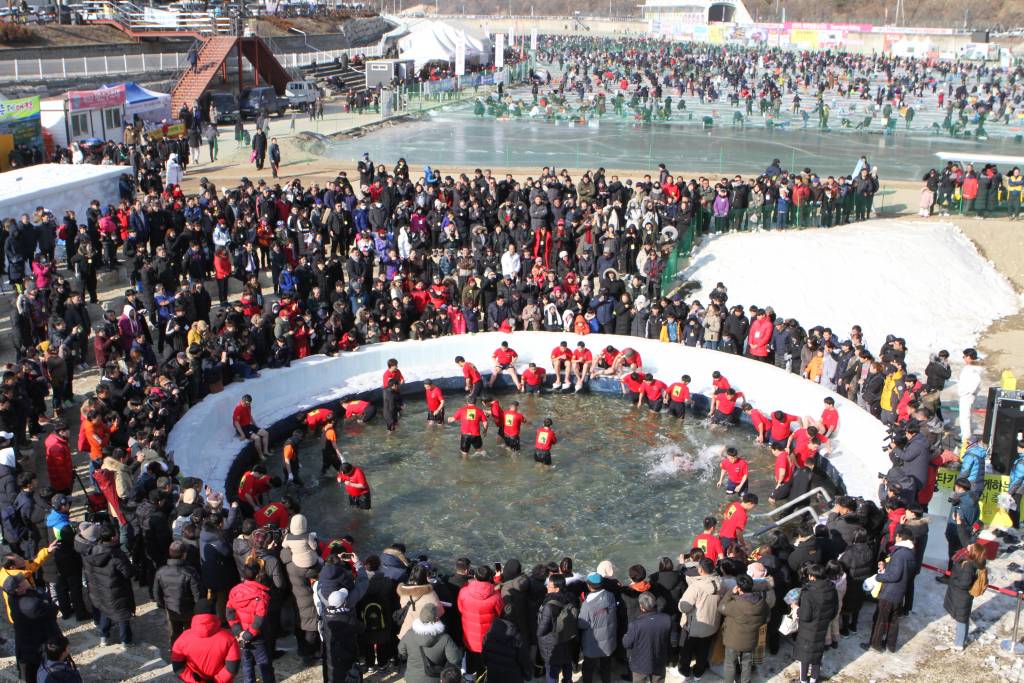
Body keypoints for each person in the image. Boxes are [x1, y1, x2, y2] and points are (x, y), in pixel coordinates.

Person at [864, 526, 916, 653]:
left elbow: (894, 575)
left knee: (880, 619)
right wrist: (887, 566)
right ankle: (891, 645)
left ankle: (875, 645)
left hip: (889, 593)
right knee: (893, 620)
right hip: (899, 593)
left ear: (900, 537)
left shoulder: (899, 554)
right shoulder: (910, 553)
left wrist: (879, 577)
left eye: (896, 536)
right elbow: (902, 571)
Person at [5, 572, 62, 682]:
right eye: (23, 580)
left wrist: (43, 600)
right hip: (35, 649)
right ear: (18, 589)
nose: (26, 580)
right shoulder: (30, 605)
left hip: (27, 646)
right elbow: (53, 609)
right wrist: (44, 601)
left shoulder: (13, 598)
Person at [85, 525, 135, 647]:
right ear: (113, 537)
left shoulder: (93, 551)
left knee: (105, 611)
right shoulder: (117, 555)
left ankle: (104, 637)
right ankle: (126, 641)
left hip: (99, 590)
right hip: (116, 591)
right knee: (122, 616)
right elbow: (128, 573)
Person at [170, 598, 241, 683]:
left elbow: (178, 667)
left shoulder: (183, 638)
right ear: (215, 613)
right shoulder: (229, 638)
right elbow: (232, 669)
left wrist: (194, 681)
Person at [227, 562, 276, 683]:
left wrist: (239, 632)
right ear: (258, 575)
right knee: (265, 666)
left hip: (241, 636)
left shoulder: (234, 590)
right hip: (257, 636)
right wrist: (249, 634)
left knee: (247, 665)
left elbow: (229, 612)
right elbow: (260, 619)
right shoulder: (261, 595)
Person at [719, 573, 769, 683]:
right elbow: (766, 617)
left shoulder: (736, 605)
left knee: (730, 664)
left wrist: (730, 593)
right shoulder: (762, 603)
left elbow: (721, 607)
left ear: (739, 588)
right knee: (747, 663)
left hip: (733, 640)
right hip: (751, 640)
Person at [677, 558, 722, 680]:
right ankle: (698, 673)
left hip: (694, 627)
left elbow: (684, 607)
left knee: (686, 651)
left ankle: (684, 671)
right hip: (712, 625)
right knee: (703, 650)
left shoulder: (696, 586)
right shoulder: (719, 581)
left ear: (700, 570)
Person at [154, 540, 204, 647]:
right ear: (184, 555)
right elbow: (198, 594)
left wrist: (164, 604)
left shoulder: (161, 572)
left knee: (174, 633)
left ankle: (176, 654)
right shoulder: (190, 572)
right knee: (190, 633)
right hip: (189, 609)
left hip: (171, 608)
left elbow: (157, 594)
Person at [794, 564, 838, 683]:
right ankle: (814, 679)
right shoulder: (831, 588)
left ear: (812, 576)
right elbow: (835, 610)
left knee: (805, 656)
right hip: (822, 627)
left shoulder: (808, 592)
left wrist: (796, 608)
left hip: (808, 629)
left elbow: (805, 616)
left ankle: (803, 680)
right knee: (817, 654)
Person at [397, 601, 461, 683]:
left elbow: (401, 651)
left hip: (412, 678)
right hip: (435, 678)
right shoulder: (445, 638)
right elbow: (455, 659)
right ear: (437, 619)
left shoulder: (409, 634)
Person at [457, 564, 503, 678]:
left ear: (475, 577)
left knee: (470, 659)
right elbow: (499, 613)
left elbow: (460, 609)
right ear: (489, 578)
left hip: (469, 636)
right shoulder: (496, 596)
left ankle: (469, 676)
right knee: (484, 663)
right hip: (487, 637)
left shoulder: (463, 591)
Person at [944, 542, 987, 650]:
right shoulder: (976, 562)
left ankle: (959, 644)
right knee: (963, 617)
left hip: (961, 596)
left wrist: (953, 580)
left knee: (961, 620)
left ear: (973, 552)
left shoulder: (968, 565)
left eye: (970, 547)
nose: (968, 547)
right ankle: (961, 639)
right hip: (963, 596)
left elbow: (965, 583)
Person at [623, 591, 671, 683]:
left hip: (640, 664)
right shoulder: (666, 619)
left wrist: (625, 635)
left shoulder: (635, 624)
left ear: (641, 606)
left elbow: (626, 644)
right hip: (659, 661)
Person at [536, 573, 576, 683]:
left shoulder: (549, 605)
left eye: (549, 586)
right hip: (567, 639)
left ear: (557, 589)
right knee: (567, 664)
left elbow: (541, 630)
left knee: (551, 670)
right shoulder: (571, 598)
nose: (547, 587)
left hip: (551, 644)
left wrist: (538, 635)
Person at [579, 571, 617, 683]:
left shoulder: (587, 603)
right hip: (609, 640)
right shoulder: (610, 595)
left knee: (588, 667)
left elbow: (582, 624)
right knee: (606, 665)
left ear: (588, 586)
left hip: (593, 643)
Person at [321, 588, 365, 683]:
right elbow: (362, 628)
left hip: (332, 661)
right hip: (348, 659)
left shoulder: (325, 616)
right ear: (343, 603)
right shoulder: (349, 619)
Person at [942, 478, 979, 575]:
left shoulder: (960, 502)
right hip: (967, 531)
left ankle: (949, 575)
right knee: (960, 554)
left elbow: (958, 518)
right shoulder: (973, 498)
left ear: (959, 487)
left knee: (954, 554)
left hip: (956, 531)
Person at [957, 348, 983, 446]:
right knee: (964, 416)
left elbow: (976, 381)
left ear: (968, 357)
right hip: (965, 394)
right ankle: (965, 433)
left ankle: (966, 437)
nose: (963, 358)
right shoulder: (971, 366)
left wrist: (968, 392)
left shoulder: (974, 368)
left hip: (967, 395)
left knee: (965, 416)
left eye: (964, 356)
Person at [233, 394, 269, 461]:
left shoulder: (248, 406)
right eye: (247, 404)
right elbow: (236, 422)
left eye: (249, 404)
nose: (248, 405)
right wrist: (242, 434)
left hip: (249, 425)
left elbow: (250, 416)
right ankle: (261, 455)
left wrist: (255, 426)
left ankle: (265, 451)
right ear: (242, 401)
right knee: (257, 438)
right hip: (242, 428)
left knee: (265, 433)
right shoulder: (238, 409)